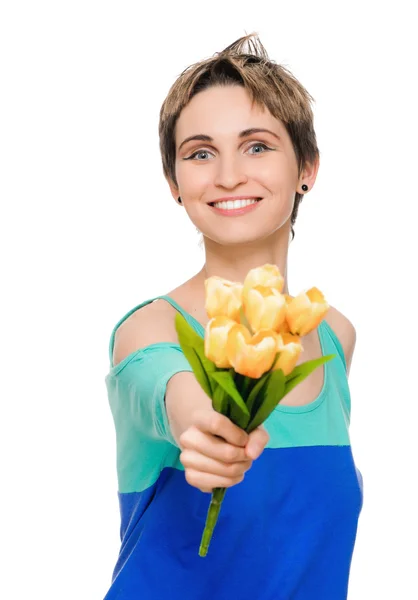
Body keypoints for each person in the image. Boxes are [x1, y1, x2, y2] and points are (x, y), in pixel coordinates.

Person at [103, 33, 363, 599]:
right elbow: (172, 392)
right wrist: (202, 428)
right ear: (175, 183)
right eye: (200, 152)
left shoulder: (334, 337)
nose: (227, 175)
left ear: (308, 169)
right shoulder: (146, 330)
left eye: (257, 146)